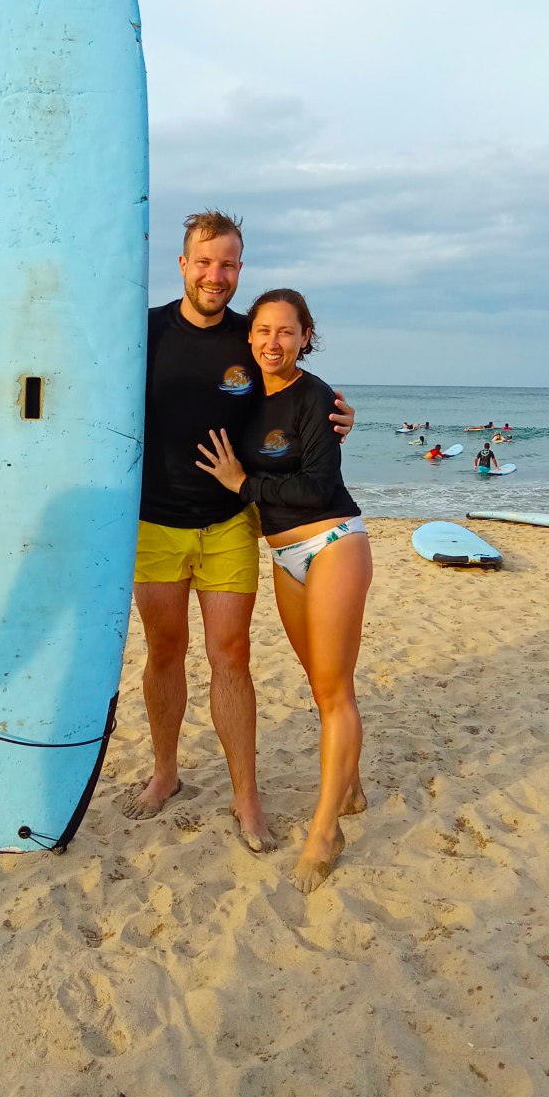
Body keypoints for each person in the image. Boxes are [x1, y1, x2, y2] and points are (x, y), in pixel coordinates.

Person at [0, 211, 355, 854]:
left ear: (240, 269)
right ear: (182, 265)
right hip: (152, 523)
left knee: (232, 656)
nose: (215, 275)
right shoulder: (140, 329)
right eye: (204, 262)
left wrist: (338, 416)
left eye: (228, 264)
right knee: (165, 651)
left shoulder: (249, 338)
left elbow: (296, 393)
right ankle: (166, 772)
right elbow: (48, 352)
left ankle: (246, 797)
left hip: (229, 524)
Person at [196, 289, 371, 895]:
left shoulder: (316, 397)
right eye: (264, 331)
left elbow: (317, 485)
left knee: (334, 691)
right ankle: (350, 788)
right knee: (321, 684)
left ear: (305, 337)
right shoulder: (244, 397)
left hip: (333, 543)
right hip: (283, 557)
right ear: (250, 336)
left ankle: (325, 834)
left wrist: (244, 485)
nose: (274, 342)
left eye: (287, 332)